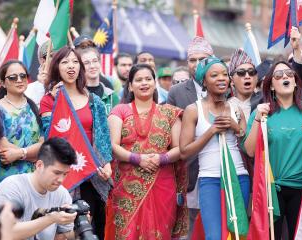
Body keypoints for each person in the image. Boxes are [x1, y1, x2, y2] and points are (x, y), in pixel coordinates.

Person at [244, 61, 302, 240]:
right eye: (278, 75)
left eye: (289, 73)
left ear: (295, 82)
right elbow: (250, 151)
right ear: (271, 86)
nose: (285, 76)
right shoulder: (261, 112)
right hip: (271, 190)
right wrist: (257, 121)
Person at [105, 64, 186, 239]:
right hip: (126, 186)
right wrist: (137, 159)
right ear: (130, 86)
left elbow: (180, 148)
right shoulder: (119, 111)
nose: (144, 83)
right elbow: (113, 146)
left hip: (162, 182)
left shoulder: (169, 113)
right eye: (139, 80)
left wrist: (161, 158)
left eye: (148, 79)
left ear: (155, 83)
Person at [39, 46, 112, 240]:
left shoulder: (93, 99)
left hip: (92, 173)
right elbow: (49, 137)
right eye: (65, 62)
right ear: (57, 68)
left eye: (75, 62)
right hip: (64, 174)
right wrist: (57, 104)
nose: (71, 66)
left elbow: (103, 136)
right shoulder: (49, 100)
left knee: (92, 227)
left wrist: (107, 165)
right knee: (65, 229)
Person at [180, 56, 249, 240]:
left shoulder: (236, 109)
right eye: (214, 75)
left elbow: (248, 146)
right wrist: (211, 131)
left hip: (239, 178)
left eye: (225, 74)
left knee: (237, 234)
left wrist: (236, 128)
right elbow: (184, 151)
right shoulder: (193, 110)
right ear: (204, 81)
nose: (221, 78)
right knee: (214, 236)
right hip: (210, 180)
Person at [167, 36, 213, 237]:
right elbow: (172, 133)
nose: (196, 64)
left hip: (218, 168)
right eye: (192, 60)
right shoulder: (177, 92)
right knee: (187, 228)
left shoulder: (225, 87)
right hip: (188, 169)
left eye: (202, 59)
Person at [0, 137, 78, 240]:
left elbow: (64, 236)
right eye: (57, 173)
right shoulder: (12, 187)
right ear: (39, 165)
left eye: (65, 174)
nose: (61, 179)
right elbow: (4, 234)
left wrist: (79, 226)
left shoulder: (62, 194)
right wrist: (51, 219)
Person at [0, 60, 44, 187]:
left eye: (23, 76)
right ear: (2, 82)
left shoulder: (35, 107)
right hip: (7, 181)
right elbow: (4, 149)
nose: (19, 80)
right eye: (13, 77)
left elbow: (43, 146)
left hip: (35, 179)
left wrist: (20, 153)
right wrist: (33, 155)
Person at [76, 46, 119, 114]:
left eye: (95, 61)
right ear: (80, 67)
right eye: (86, 63)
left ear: (100, 63)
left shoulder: (111, 96)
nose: (92, 66)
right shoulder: (76, 95)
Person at [228, 48, 262, 122]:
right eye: (241, 72)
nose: (247, 76)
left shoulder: (265, 101)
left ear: (256, 77)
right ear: (231, 80)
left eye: (251, 72)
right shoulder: (225, 106)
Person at [25, 40, 52, 108]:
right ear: (43, 61)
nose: (59, 58)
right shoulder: (28, 90)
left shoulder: (74, 86)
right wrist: (42, 84)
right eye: (52, 55)